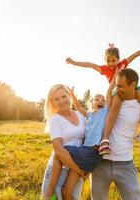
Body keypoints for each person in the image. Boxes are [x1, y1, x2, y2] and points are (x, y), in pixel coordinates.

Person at [44, 67, 120, 200]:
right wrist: (72, 94)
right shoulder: (88, 115)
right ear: (91, 103)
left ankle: (49, 192)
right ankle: (50, 192)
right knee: (68, 194)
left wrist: (116, 76)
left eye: (103, 100)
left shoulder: (104, 112)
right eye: (97, 99)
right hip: (81, 155)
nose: (101, 101)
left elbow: (109, 91)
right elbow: (78, 106)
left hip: (90, 152)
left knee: (58, 156)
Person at [66, 43, 140, 153]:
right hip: (116, 89)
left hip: (130, 86)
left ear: (118, 59)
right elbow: (89, 65)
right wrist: (73, 62)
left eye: (113, 60)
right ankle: (105, 139)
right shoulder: (104, 69)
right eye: (108, 61)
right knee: (116, 105)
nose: (111, 63)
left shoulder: (122, 64)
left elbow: (135, 54)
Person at [91, 68, 140, 200]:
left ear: (133, 85)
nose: (117, 89)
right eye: (116, 85)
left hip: (125, 164)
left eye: (121, 86)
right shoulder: (112, 101)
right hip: (101, 162)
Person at [41, 84, 87, 200]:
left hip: (75, 172)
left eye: (63, 96)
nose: (61, 101)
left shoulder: (81, 115)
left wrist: (80, 169)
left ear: (69, 96)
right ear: (52, 103)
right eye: (56, 99)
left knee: (72, 198)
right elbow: (58, 150)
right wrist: (79, 169)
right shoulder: (55, 120)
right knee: (51, 198)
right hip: (58, 171)